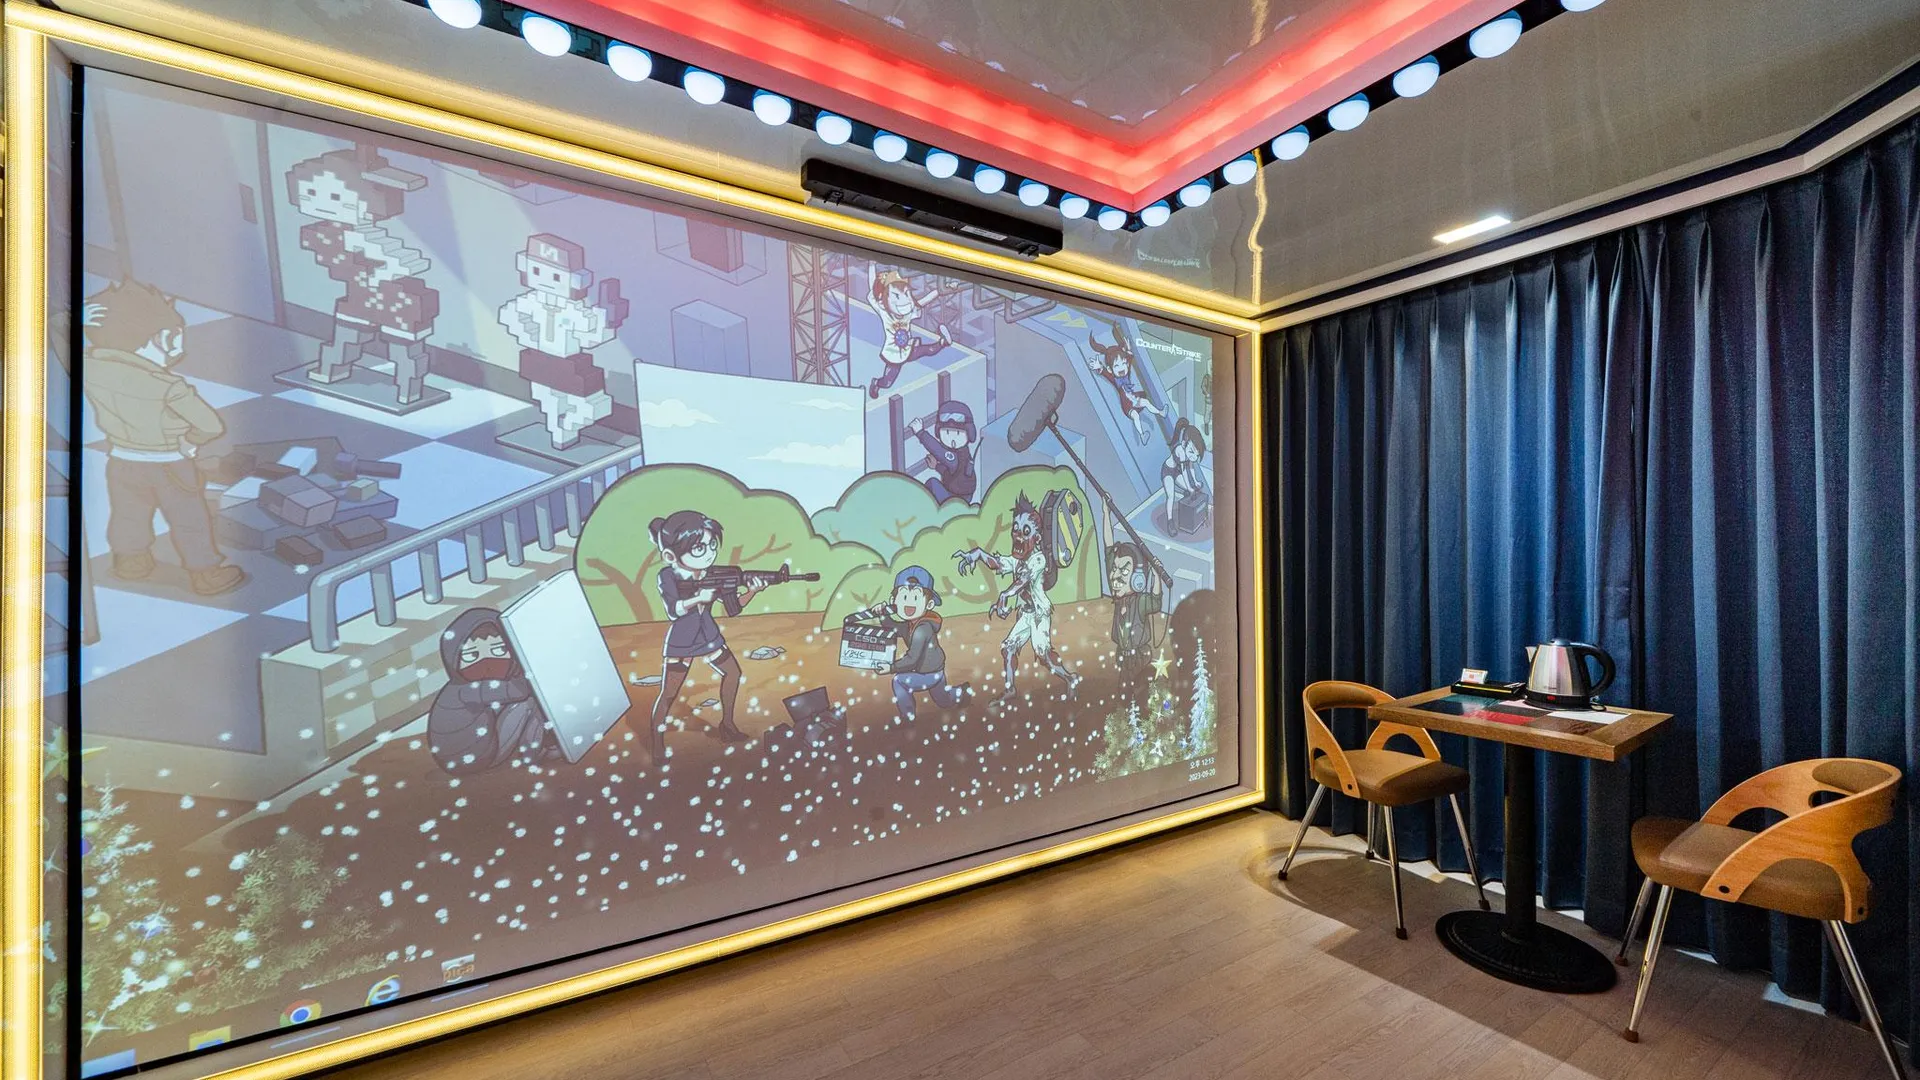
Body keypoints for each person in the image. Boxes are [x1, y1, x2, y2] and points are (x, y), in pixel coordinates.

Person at [80, 279, 247, 596]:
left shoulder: (90, 368)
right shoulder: (169, 386)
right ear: (164, 338)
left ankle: (131, 562)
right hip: (170, 464)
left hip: (122, 461)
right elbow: (210, 425)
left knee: (128, 515)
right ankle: (205, 573)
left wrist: (72, 320)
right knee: (189, 519)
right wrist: (190, 443)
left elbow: (56, 340)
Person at [286, 145, 438, 405]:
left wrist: (379, 274)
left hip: (397, 303)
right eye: (310, 192)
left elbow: (408, 263)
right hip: (360, 299)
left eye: (336, 196)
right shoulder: (327, 233)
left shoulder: (360, 239)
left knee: (404, 351)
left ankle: (408, 390)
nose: (322, 203)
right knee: (345, 340)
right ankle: (332, 372)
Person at [647, 510, 762, 755]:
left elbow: (733, 608)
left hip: (708, 635)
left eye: (712, 546)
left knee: (733, 673)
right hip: (682, 640)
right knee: (669, 693)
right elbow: (673, 611)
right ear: (670, 555)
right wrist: (698, 598)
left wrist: (752, 591)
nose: (709, 553)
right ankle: (657, 744)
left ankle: (727, 726)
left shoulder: (713, 573)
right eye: (699, 548)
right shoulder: (668, 576)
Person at [955, 493, 1082, 704]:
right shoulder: (1018, 560)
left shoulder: (1039, 559)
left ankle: (1070, 678)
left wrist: (1005, 594)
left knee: (1043, 654)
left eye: (1025, 532)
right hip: (1026, 614)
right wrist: (977, 554)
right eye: (1015, 529)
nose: (1018, 536)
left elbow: (1022, 581)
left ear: (1037, 538)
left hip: (1039, 614)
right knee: (1009, 648)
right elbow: (997, 563)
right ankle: (1010, 690)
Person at [427, 608, 558, 775]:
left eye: (499, 650)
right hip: (477, 759)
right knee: (530, 702)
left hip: (460, 759)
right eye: (471, 656)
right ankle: (533, 754)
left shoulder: (456, 688)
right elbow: (519, 691)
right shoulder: (468, 690)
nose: (487, 662)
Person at [845, 566, 970, 723]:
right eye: (904, 596)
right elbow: (893, 628)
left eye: (916, 597)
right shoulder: (910, 625)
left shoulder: (922, 629)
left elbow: (912, 659)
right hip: (934, 670)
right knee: (944, 701)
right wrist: (883, 614)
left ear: (929, 604)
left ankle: (907, 718)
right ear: (893, 601)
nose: (909, 603)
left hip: (929, 673)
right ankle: (962, 692)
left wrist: (891, 668)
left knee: (899, 681)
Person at [868, 268, 952, 398]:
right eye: (897, 296)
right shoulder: (885, 313)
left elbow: (923, 301)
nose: (905, 301)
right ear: (883, 299)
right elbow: (873, 290)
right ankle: (877, 383)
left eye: (907, 294)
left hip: (909, 350)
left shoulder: (908, 313)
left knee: (928, 350)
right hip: (893, 356)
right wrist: (871, 265)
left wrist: (942, 289)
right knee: (887, 382)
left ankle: (943, 342)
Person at [1088, 332, 1169, 445]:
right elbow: (1105, 373)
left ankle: (1161, 413)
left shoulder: (1127, 371)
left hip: (1134, 398)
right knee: (1136, 416)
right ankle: (1142, 435)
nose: (1121, 368)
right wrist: (1099, 367)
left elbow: (1129, 359)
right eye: (1116, 366)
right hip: (1127, 406)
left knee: (1146, 402)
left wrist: (1128, 350)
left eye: (1123, 363)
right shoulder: (1114, 379)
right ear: (1110, 369)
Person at [1106, 542, 1162, 695]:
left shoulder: (1141, 602)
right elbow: (1108, 548)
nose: (1115, 575)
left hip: (1140, 657)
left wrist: (1156, 576)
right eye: (1115, 569)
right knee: (1124, 692)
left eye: (1124, 571)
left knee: (1141, 691)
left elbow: (1156, 602)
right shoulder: (1119, 598)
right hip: (1123, 658)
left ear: (1138, 579)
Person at [904, 399, 978, 504]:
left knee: (932, 484)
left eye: (958, 433)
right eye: (946, 432)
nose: (952, 439)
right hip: (959, 495)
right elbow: (954, 473)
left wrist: (921, 433)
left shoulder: (956, 456)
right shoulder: (963, 451)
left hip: (956, 499)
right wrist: (937, 466)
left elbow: (938, 450)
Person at [1161, 419, 1212, 536]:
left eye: (1196, 454)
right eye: (1192, 452)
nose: (1194, 456)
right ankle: (1170, 521)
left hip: (1176, 471)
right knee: (1171, 496)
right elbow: (1185, 471)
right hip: (1168, 471)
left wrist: (1196, 482)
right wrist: (1190, 488)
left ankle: (1186, 504)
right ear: (1184, 444)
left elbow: (1191, 468)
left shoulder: (1188, 453)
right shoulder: (1181, 451)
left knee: (1189, 489)